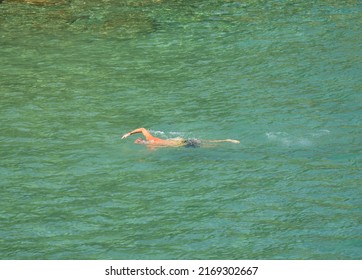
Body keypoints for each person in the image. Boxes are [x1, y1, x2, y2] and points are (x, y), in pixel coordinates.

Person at [121, 127, 240, 147]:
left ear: (140, 141)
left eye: (137, 141)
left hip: (182, 144)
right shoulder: (150, 139)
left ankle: (225, 142)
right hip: (180, 141)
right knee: (206, 142)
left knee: (208, 146)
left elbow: (142, 129)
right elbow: (142, 129)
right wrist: (129, 133)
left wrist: (130, 134)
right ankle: (226, 140)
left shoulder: (150, 144)